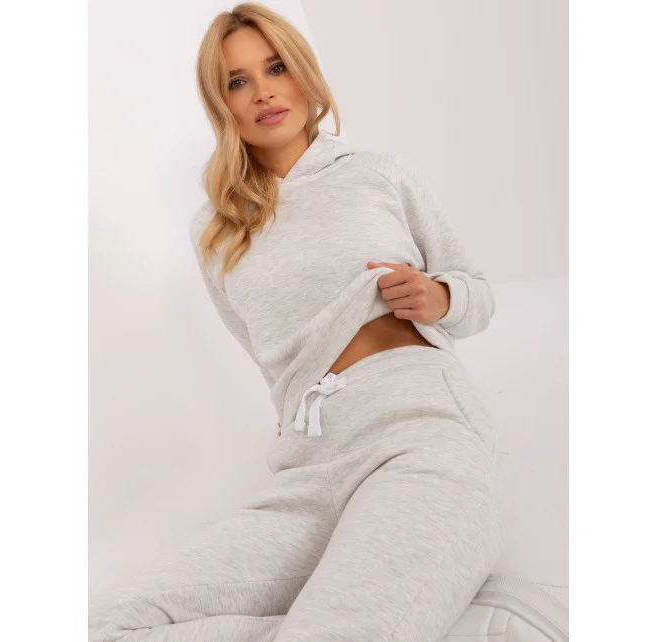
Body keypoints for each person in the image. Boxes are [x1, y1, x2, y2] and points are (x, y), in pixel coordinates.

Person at [89, 3, 503, 641]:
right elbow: (264, 354)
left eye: (276, 67)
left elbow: (475, 290)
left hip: (418, 430)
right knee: (110, 623)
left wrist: (438, 297)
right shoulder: (216, 230)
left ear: (304, 74)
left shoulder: (376, 174)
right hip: (310, 465)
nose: (263, 91)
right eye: (238, 81)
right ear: (221, 104)